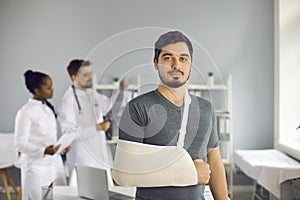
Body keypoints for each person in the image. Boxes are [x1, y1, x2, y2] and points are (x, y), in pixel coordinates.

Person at [117, 31, 228, 199]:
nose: (177, 65)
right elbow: (123, 176)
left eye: (183, 58)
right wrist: (189, 173)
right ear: (156, 63)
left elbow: (215, 161)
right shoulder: (138, 108)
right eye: (168, 58)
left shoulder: (206, 108)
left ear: (191, 64)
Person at [57, 59, 125, 178]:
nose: (90, 77)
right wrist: (97, 127)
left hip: (101, 157)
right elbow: (69, 134)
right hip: (82, 159)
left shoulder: (92, 94)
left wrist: (121, 91)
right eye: (85, 75)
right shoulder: (67, 102)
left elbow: (109, 106)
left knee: (105, 193)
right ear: (74, 77)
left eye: (90, 73)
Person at [14, 70, 69, 200]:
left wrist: (61, 148)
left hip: (54, 163)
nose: (52, 90)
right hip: (35, 166)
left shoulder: (48, 109)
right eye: (48, 88)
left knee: (60, 196)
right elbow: (19, 143)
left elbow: (49, 138)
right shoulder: (25, 112)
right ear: (37, 91)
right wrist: (44, 150)